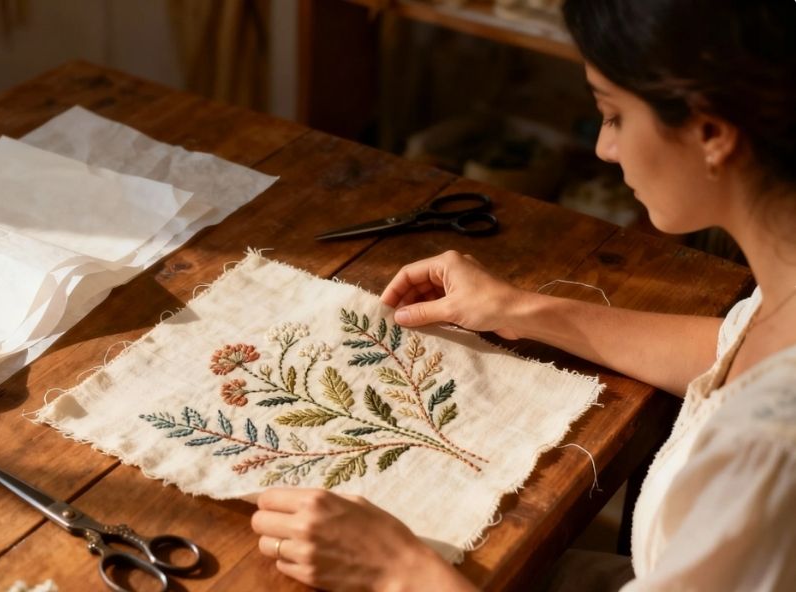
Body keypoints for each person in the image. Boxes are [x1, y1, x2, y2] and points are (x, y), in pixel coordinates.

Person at [250, 0, 796, 589]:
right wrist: (518, 309)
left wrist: (397, 570)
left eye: (613, 116)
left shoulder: (769, 456)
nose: (603, 149)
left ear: (711, 133)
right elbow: (732, 348)